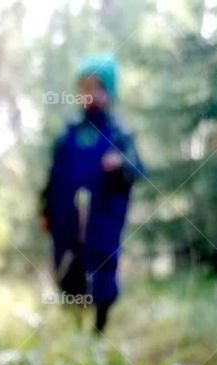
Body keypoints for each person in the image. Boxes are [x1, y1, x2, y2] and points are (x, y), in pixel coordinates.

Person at [40, 54, 144, 333]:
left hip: (104, 219)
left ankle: (100, 327)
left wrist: (120, 165)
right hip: (68, 218)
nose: (90, 95)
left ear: (109, 92)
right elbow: (53, 176)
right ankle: (74, 322)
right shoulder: (69, 134)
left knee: (102, 264)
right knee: (68, 265)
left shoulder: (119, 135)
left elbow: (137, 170)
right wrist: (46, 210)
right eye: (84, 88)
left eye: (97, 88)